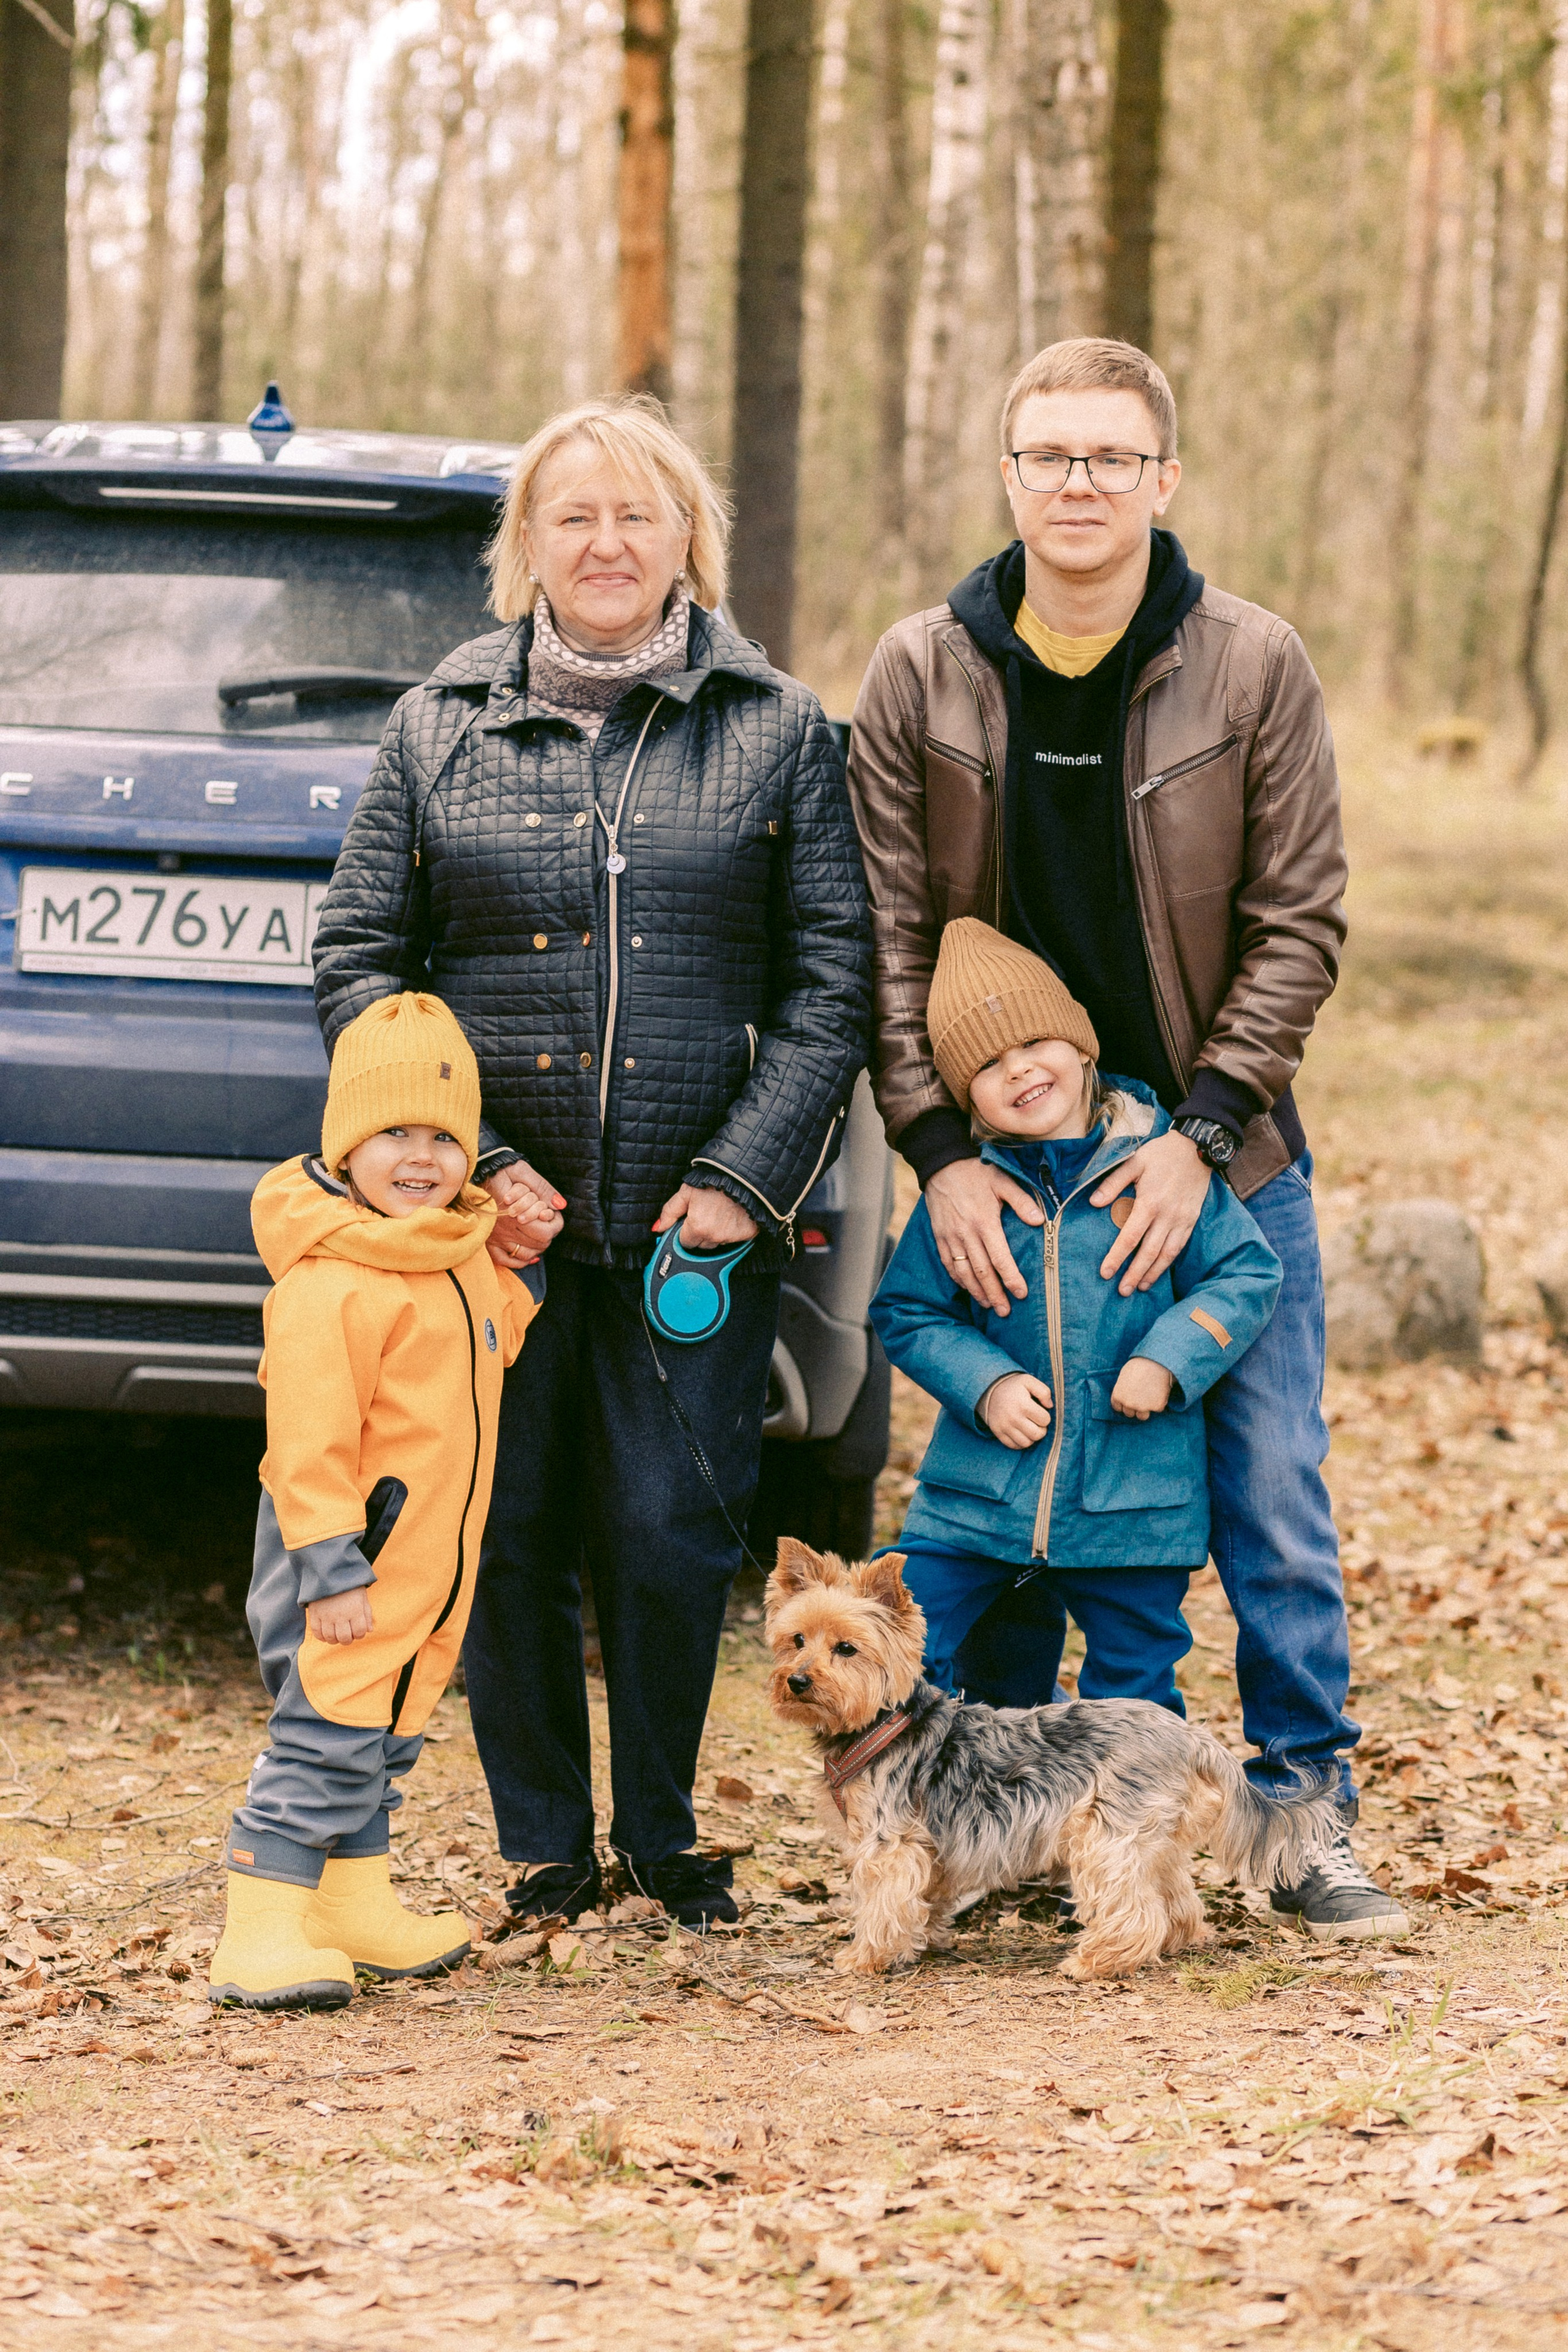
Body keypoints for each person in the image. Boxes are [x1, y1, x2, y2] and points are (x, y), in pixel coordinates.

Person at [848, 335, 1407, 1941]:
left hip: (1217, 1165)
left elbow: (1298, 922)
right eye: (1049, 455)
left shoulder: (1251, 664)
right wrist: (936, 1152)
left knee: (1270, 1492)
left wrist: (1202, 1130)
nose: (1077, 484)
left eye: (1109, 457)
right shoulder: (920, 672)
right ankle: (1013, 1834)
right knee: (1007, 1507)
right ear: (1008, 475)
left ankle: (1300, 1827)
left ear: (1162, 478)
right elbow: (884, 934)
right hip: (1006, 1176)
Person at [313, 397, 870, 1931]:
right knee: (504, 1532)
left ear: (688, 535)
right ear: (527, 546)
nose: (606, 543)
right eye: (573, 516)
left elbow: (833, 982)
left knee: (671, 1535)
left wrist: (742, 1179)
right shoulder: (439, 723)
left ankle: (665, 1837)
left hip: (698, 1228)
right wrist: (472, 1165)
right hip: (489, 1235)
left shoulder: (777, 727)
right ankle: (544, 1848)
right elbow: (357, 960)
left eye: (637, 514)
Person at [210, 993, 540, 2010]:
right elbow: (305, 1444)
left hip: (422, 1569)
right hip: (345, 1566)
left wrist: (516, 1270)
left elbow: (486, 1349)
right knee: (325, 1734)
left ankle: (351, 1904)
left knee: (381, 1734)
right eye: (393, 1133)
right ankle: (258, 1928)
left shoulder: (448, 1252)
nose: (421, 1158)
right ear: (345, 1146)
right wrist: (330, 1568)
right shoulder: (333, 1281)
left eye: (445, 1137)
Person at [870, 919, 1281, 1713]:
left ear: (1082, 1043)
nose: (1018, 1068)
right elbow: (908, 1310)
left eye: (1034, 1042)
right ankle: (932, 1788)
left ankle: (1127, 1799)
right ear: (964, 1095)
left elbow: (1247, 1274)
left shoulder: (1164, 1166)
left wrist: (1168, 1358)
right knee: (904, 1645)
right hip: (978, 1497)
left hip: (1132, 1498)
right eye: (987, 1063)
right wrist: (985, 1384)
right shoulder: (967, 1194)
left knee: (1134, 1691)